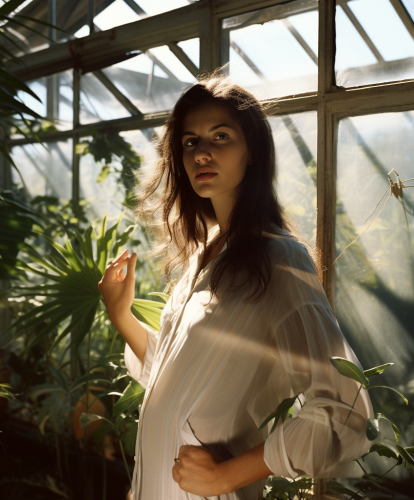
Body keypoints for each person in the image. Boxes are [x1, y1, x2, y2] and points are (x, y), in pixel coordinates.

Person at [98, 73, 373, 500]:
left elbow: (344, 409)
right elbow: (174, 381)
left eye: (220, 136)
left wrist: (226, 477)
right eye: (190, 142)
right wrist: (122, 317)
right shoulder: (201, 254)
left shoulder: (280, 259)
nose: (201, 152)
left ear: (253, 153)